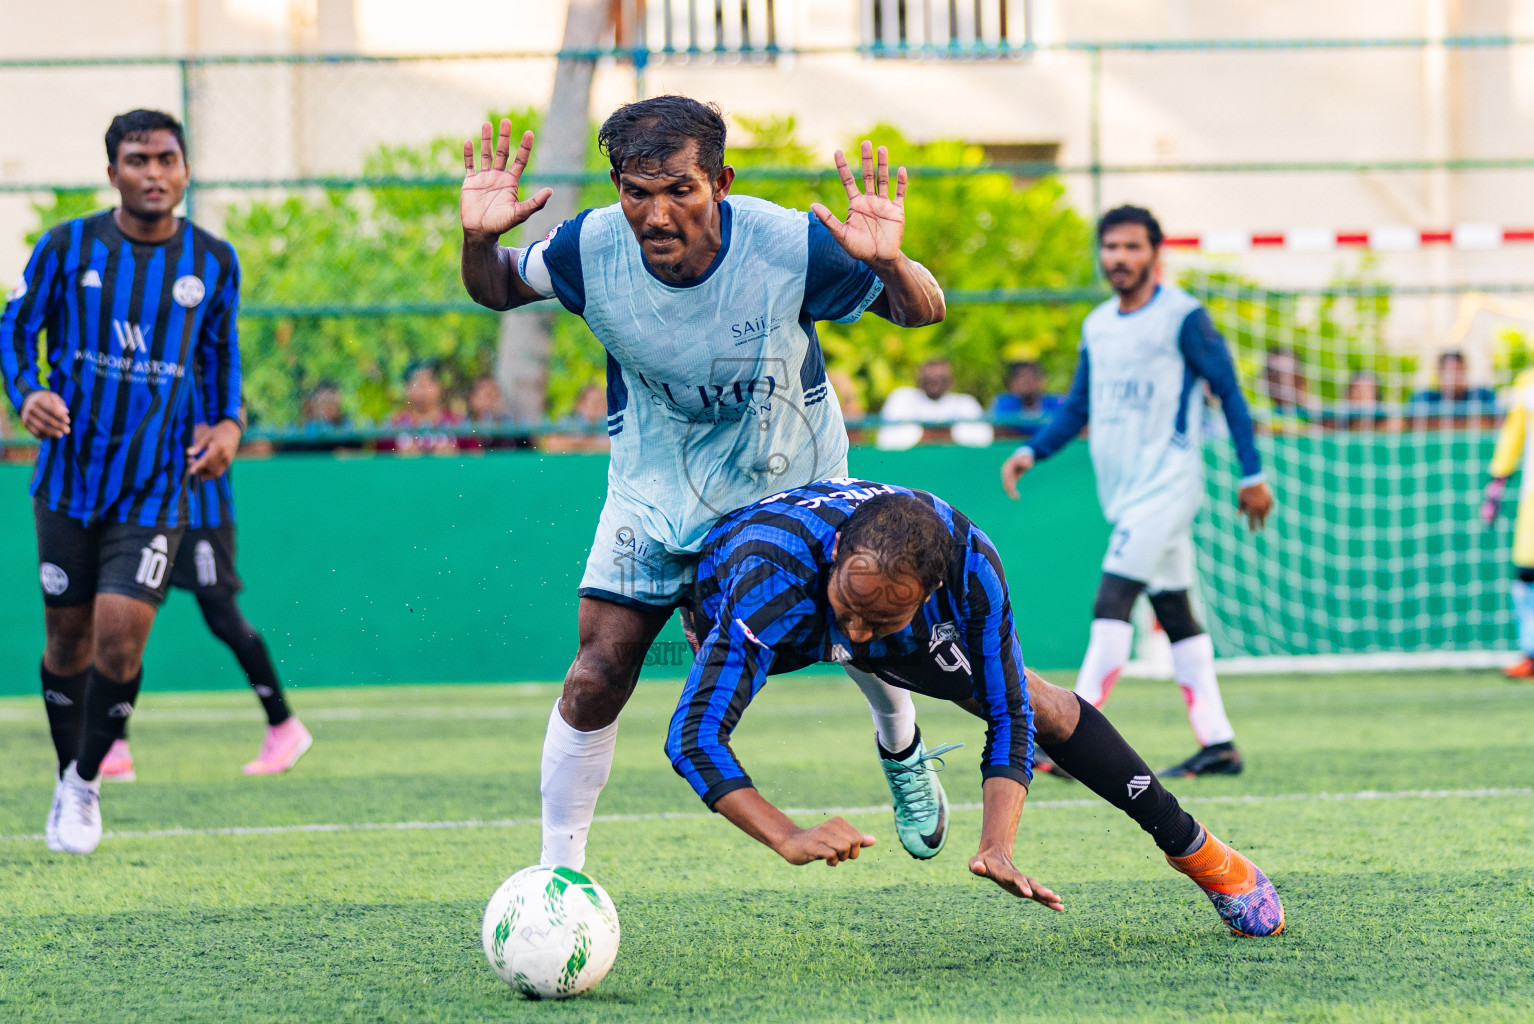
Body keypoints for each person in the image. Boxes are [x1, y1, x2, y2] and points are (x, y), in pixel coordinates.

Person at [459, 96, 947, 870]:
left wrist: (890, 260)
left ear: (720, 182)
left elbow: (923, 311)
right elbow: (497, 289)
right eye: (635, 190)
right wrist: (477, 241)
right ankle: (559, 875)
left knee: (861, 638)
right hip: (655, 487)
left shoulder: (790, 244)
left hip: (790, 479)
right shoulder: (589, 248)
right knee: (598, 672)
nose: (655, 214)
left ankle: (903, 748)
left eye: (678, 189)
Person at [666, 480, 1284, 937]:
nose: (855, 634)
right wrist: (789, 835)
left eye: (879, 618)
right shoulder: (768, 583)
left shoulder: (971, 567)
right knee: (613, 671)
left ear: (934, 593)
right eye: (850, 609)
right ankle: (901, 742)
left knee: (1044, 705)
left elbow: (1012, 713)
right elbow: (694, 737)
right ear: (836, 558)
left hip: (885, 624)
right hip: (742, 605)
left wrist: (998, 845)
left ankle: (1198, 851)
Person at [0, 109, 242, 854]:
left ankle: (84, 782)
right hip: (67, 482)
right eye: (137, 160)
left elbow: (219, 355)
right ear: (113, 174)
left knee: (119, 640)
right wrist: (26, 394)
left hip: (154, 487)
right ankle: (68, 768)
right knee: (66, 640)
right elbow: (13, 329)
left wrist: (228, 424)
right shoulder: (67, 246)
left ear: (185, 170)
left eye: (166, 159)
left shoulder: (213, 261)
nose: (153, 173)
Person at [1000, 205, 1274, 778]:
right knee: (1173, 609)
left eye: (1131, 247)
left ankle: (1068, 738)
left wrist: (1252, 474)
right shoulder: (1098, 324)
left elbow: (1228, 390)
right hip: (1124, 490)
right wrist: (1034, 450)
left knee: (1112, 601)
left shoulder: (1183, 318)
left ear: (1155, 253)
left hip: (1169, 483)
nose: (1118, 258)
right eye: (1110, 248)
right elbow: (1080, 402)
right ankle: (1219, 743)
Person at [99, 413, 313, 781]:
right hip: (149, 513)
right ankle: (114, 744)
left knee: (224, 618)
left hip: (202, 515)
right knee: (126, 622)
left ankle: (284, 726)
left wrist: (213, 435)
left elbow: (235, 414)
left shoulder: (209, 361)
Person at [1482, 367, 1534, 678]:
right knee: (1527, 573)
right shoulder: (1528, 384)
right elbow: (1513, 435)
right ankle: (1531, 653)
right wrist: (1495, 488)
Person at [876, 358, 994, 450]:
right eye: (929, 379)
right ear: (918, 379)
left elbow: (985, 438)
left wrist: (948, 435)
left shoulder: (965, 403)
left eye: (941, 378)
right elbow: (886, 440)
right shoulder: (902, 398)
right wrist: (929, 435)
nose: (934, 383)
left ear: (951, 381)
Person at [383, 361, 462, 455]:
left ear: (440, 387)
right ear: (407, 388)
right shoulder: (393, 425)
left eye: (430, 382)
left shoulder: (457, 423)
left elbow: (475, 458)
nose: (424, 389)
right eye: (418, 383)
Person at [990, 360, 1061, 436]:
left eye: (1032, 377)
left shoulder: (1056, 402)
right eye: (1021, 377)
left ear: (1042, 380)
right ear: (1012, 383)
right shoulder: (1004, 403)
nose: (1027, 382)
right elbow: (1001, 431)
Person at [540, 382, 611, 454]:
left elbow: (612, 445)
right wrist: (587, 443)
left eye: (603, 402)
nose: (600, 407)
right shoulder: (568, 421)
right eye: (595, 402)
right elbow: (551, 443)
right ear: (580, 404)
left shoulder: (609, 423)